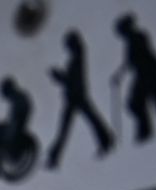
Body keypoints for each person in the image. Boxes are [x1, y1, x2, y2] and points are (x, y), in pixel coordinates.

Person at [47, 31, 114, 168]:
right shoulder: (76, 57)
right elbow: (70, 78)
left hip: (76, 96)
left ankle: (54, 157)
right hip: (75, 96)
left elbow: (71, 79)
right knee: (86, 121)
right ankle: (106, 141)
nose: (67, 48)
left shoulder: (77, 56)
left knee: (67, 127)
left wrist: (58, 76)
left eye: (68, 45)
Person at [113, 14, 156, 143]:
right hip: (145, 72)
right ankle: (153, 128)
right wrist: (118, 75)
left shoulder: (137, 37)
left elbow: (133, 60)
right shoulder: (132, 39)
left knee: (148, 99)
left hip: (150, 71)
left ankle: (155, 128)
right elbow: (129, 62)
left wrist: (120, 75)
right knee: (143, 100)